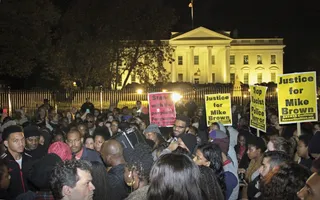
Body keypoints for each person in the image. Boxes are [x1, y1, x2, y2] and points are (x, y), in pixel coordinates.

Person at [1, 125, 33, 199]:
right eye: (16, 140)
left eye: (22, 139)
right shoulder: (3, 163)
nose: (21, 143)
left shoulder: (30, 159)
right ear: (6, 143)